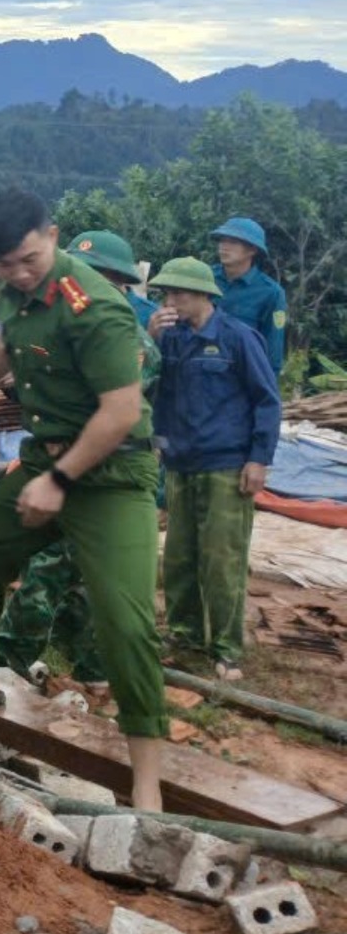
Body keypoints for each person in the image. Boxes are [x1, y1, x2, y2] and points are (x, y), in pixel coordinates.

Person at [0, 188, 167, 810]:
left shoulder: (98, 311)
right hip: (45, 459)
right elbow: (8, 340)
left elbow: (121, 412)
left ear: (51, 236)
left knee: (124, 622)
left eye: (29, 260)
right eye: (5, 266)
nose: (19, 274)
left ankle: (148, 780)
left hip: (111, 478)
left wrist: (58, 483)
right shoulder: (11, 285)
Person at [0, 229, 163, 687]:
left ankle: (6, 662)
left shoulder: (129, 343)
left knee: (48, 567)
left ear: (115, 282)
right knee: (83, 572)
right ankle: (91, 665)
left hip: (96, 474)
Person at [149, 257, 280, 680]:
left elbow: (267, 401)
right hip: (180, 463)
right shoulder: (168, 340)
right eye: (167, 294)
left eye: (179, 294)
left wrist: (259, 458)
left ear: (204, 295)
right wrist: (149, 338)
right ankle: (185, 636)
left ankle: (226, 647)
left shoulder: (238, 338)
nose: (171, 301)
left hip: (227, 463)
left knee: (222, 558)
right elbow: (149, 385)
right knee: (180, 556)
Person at [202, 216, 287, 376]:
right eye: (222, 240)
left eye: (233, 242)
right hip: (199, 372)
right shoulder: (204, 278)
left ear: (252, 249)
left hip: (240, 379)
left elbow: (272, 353)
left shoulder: (271, 293)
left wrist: (265, 392)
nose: (224, 247)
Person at [70, 230, 157, 328]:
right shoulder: (68, 305)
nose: (79, 275)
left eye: (92, 270)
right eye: (76, 268)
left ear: (120, 275)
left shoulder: (150, 317)